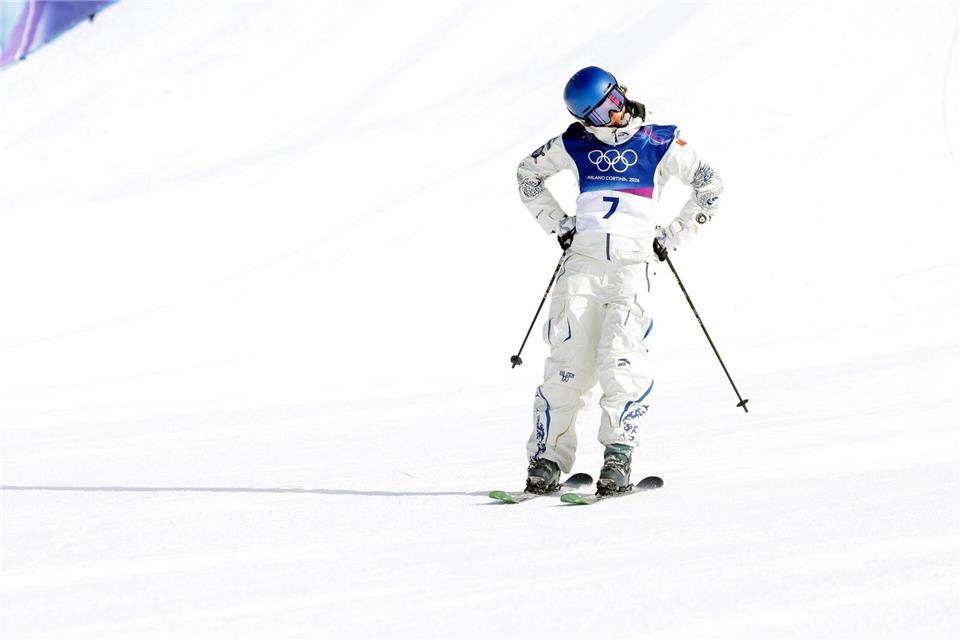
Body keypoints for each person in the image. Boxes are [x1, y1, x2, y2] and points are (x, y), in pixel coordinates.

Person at [515, 66, 723, 495]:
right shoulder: (575, 144)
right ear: (583, 121)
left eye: (612, 103)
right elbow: (527, 174)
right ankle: (548, 459)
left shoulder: (660, 141)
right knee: (568, 362)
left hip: (632, 266)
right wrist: (559, 224)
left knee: (621, 359)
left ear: (621, 91)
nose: (611, 117)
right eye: (597, 115)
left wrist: (674, 235)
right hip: (583, 264)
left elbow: (710, 186)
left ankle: (618, 456)